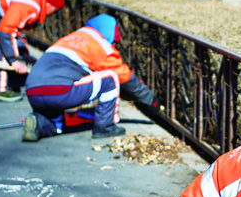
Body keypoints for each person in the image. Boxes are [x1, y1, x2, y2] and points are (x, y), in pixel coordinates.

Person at [22, 14, 161, 141]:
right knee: (110, 79)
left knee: (57, 122)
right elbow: (125, 78)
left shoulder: (69, 38)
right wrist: (152, 102)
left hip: (32, 90)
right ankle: (105, 127)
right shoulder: (101, 45)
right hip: (59, 92)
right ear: (107, 34)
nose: (114, 46)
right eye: (114, 41)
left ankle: (39, 124)